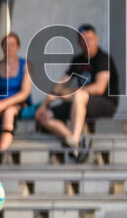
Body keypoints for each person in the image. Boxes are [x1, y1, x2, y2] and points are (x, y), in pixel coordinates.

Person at [35, 24, 120, 160]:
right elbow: (59, 86)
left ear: (96, 39)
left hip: (104, 104)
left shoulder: (103, 59)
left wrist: (69, 92)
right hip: (79, 103)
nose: (88, 42)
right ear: (79, 42)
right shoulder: (77, 60)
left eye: (90, 38)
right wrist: (44, 105)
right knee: (43, 116)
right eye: (84, 39)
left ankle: (74, 140)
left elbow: (99, 88)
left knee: (79, 95)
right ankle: (74, 139)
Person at [0, 33, 33, 153]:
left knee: (9, 113)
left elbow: (24, 93)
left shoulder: (26, 64)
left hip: (19, 103)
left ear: (18, 47)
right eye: (6, 45)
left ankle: (1, 150)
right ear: (2, 47)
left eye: (12, 45)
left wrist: (3, 104)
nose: (9, 48)